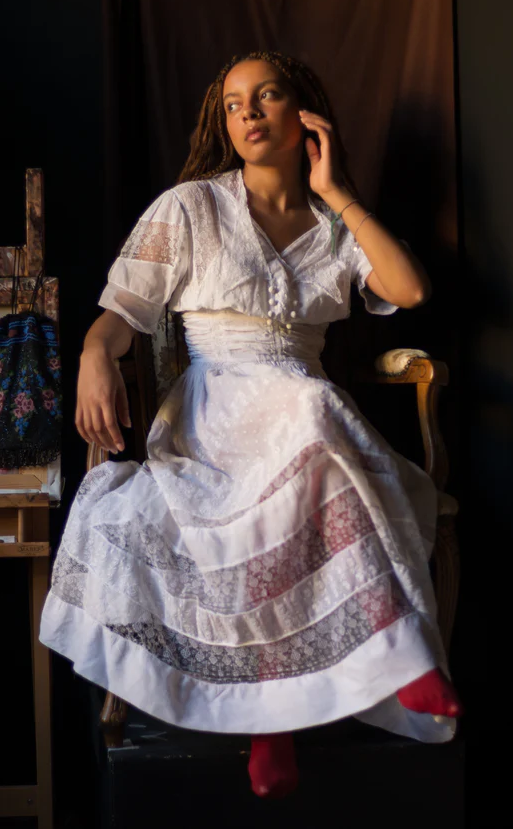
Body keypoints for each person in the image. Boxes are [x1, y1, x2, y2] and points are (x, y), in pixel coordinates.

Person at [39, 51, 463, 799]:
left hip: (302, 408)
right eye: (234, 102)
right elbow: (118, 320)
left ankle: (277, 725)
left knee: (310, 417)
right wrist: (91, 356)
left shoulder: (333, 225)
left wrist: (339, 192)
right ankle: (398, 662)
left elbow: (409, 287)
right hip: (215, 413)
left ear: (305, 112)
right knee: (314, 411)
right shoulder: (189, 207)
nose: (248, 112)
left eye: (267, 95)